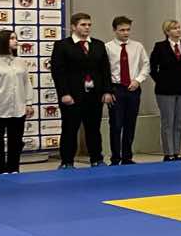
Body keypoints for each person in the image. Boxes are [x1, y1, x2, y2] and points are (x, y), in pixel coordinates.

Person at [50, 11, 113, 168]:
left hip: (94, 95)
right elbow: (58, 72)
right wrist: (64, 93)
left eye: (89, 25)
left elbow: (105, 70)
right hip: (72, 96)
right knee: (70, 129)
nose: (87, 28)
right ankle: (67, 161)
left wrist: (107, 91)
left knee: (94, 129)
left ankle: (96, 159)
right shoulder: (62, 45)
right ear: (73, 27)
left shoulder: (98, 45)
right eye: (83, 25)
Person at [0, 29, 30, 175]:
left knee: (16, 141)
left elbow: (26, 83)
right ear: (3, 41)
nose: (16, 41)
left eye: (16, 38)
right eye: (12, 38)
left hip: (18, 108)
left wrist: (29, 103)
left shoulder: (20, 62)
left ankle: (13, 169)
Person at [104, 15, 148, 165]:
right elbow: (104, 70)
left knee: (130, 123)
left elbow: (146, 65)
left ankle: (127, 157)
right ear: (114, 30)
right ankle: (115, 157)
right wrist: (108, 90)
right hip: (116, 88)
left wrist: (138, 80)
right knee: (116, 124)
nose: (125, 33)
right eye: (122, 30)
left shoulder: (137, 46)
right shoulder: (108, 47)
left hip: (133, 87)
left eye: (128, 30)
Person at [149, 19, 181, 161]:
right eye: (174, 28)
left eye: (179, 27)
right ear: (167, 32)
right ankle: (168, 153)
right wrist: (162, 80)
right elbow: (152, 68)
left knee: (179, 121)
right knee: (168, 121)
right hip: (165, 90)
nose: (178, 30)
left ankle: (177, 152)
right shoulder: (160, 46)